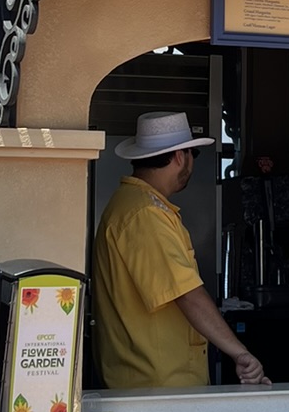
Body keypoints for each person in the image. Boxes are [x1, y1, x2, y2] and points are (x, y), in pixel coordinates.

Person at [93, 111, 270, 390]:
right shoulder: (145, 214)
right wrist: (240, 353)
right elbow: (187, 294)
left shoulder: (134, 205)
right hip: (159, 383)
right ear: (179, 156)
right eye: (193, 155)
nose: (191, 163)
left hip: (149, 381)